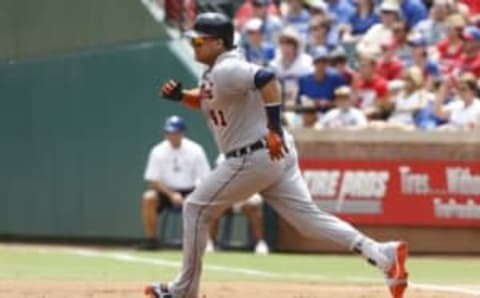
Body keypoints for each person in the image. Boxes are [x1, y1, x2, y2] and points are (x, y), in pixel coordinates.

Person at [145, 12, 409, 298]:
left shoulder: (227, 68)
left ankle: (184, 292)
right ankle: (383, 254)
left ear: (218, 43)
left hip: (252, 155)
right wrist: (183, 96)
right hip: (271, 155)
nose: (194, 44)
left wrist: (273, 128)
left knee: (195, 208)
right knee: (308, 220)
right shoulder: (218, 70)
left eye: (199, 40)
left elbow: (267, 79)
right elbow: (212, 99)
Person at [139, 115, 210, 250]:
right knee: (148, 198)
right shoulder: (157, 150)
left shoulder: (196, 150)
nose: (172, 136)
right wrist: (171, 195)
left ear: (183, 133)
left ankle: (196, 242)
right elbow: (152, 180)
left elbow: (205, 177)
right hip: (166, 192)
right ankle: (151, 240)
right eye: (169, 133)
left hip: (191, 191)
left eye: (175, 133)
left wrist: (194, 194)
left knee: (208, 200)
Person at [207, 155, 270, 255]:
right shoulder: (223, 157)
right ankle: (209, 242)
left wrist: (246, 198)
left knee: (253, 208)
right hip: (227, 199)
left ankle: (260, 244)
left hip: (247, 198)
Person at [297, 46, 348, 113]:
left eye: (324, 61)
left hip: (330, 114)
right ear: (313, 63)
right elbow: (299, 100)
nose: (321, 64)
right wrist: (310, 102)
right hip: (309, 114)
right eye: (318, 61)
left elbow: (344, 99)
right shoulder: (304, 79)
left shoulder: (336, 78)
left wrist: (329, 103)